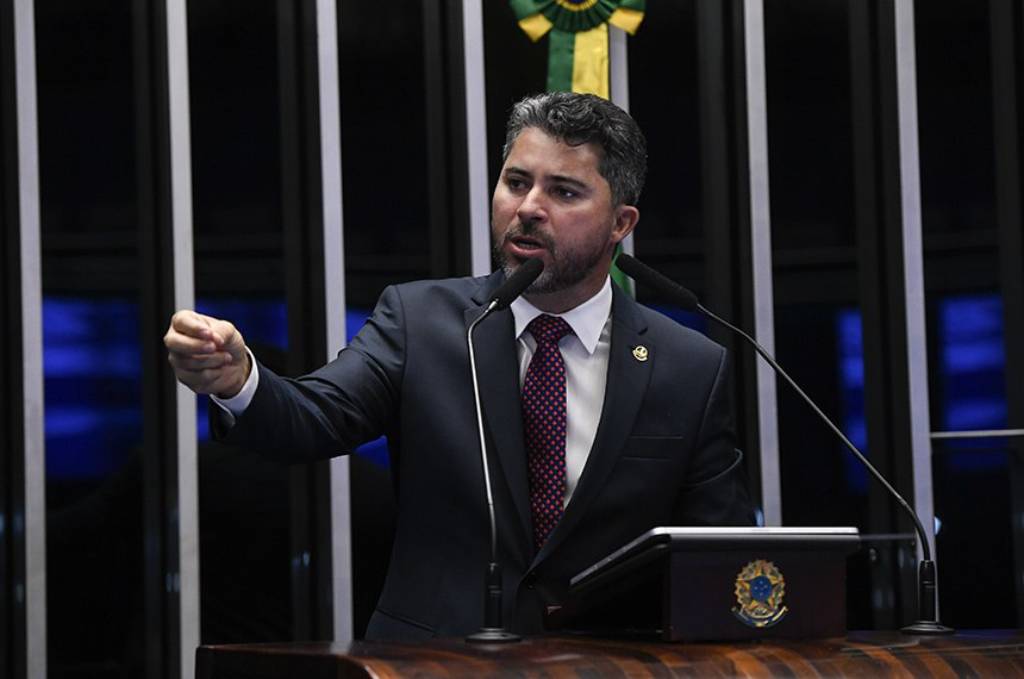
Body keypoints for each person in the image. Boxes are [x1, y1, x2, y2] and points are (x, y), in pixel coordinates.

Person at [164, 92, 754, 641]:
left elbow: (722, 559)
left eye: (564, 192)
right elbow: (314, 417)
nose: (528, 209)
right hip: (435, 659)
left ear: (621, 224)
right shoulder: (422, 321)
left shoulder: (688, 366)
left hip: (608, 664)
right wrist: (240, 380)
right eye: (516, 182)